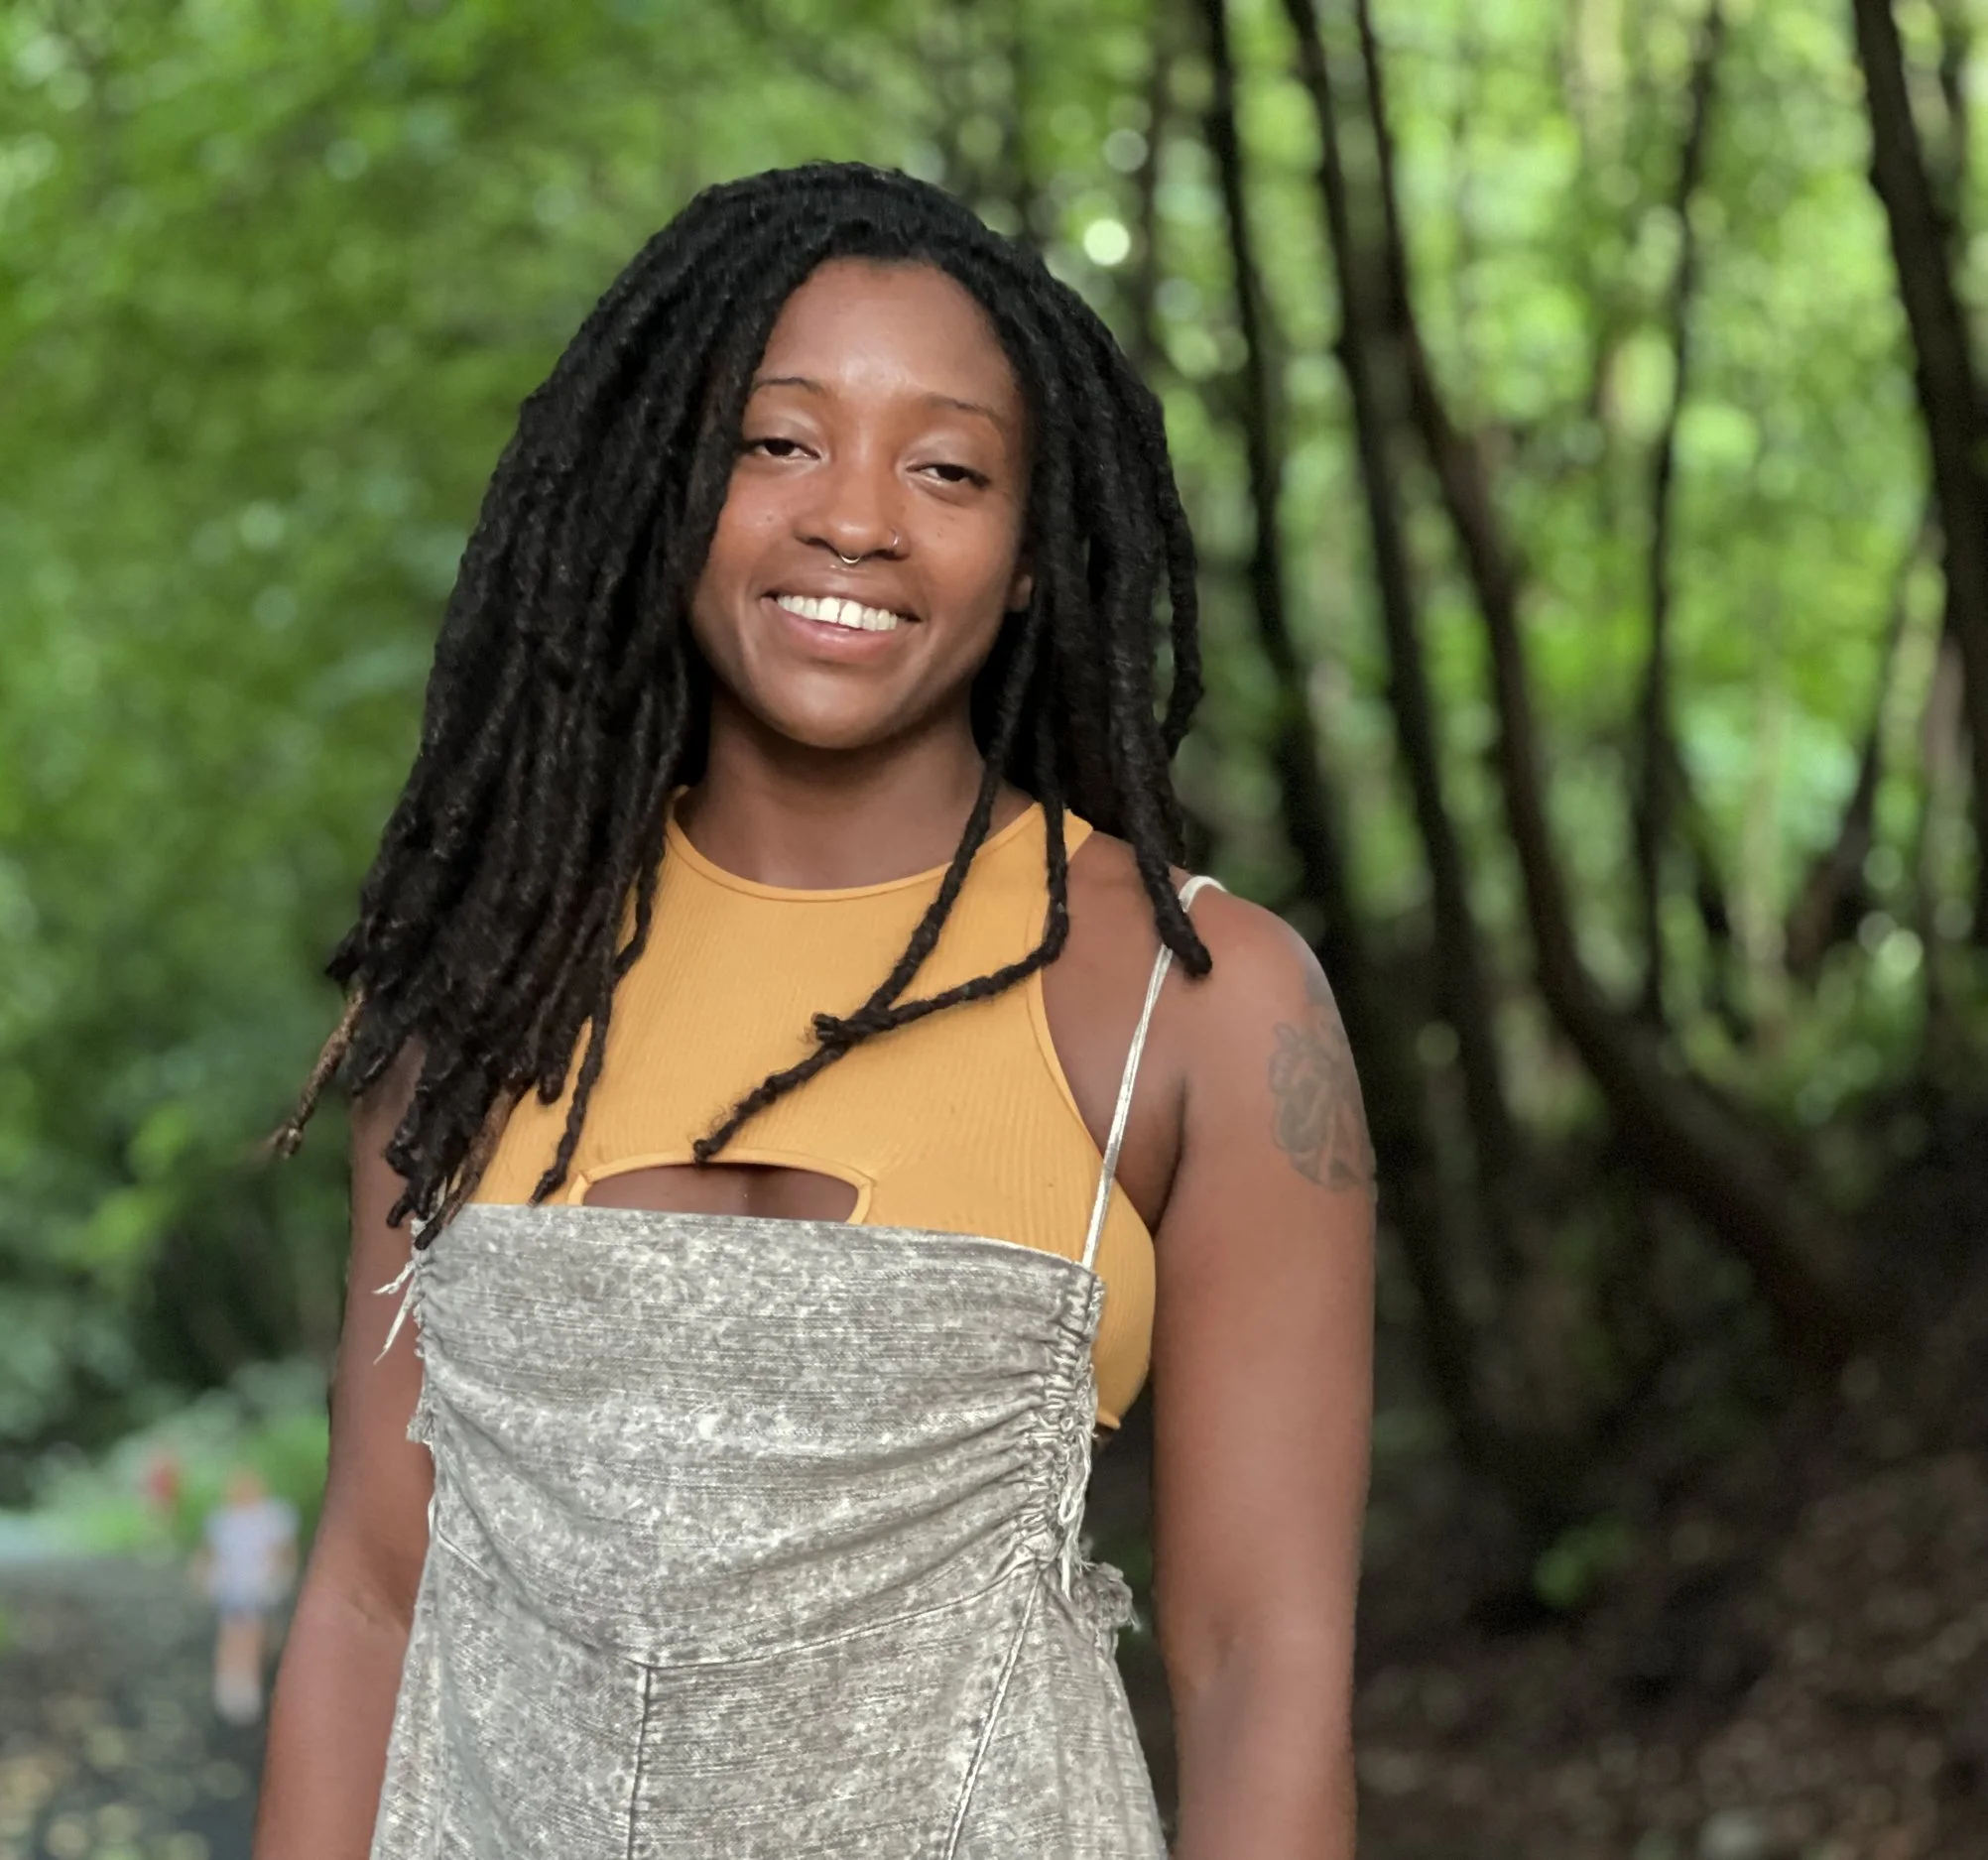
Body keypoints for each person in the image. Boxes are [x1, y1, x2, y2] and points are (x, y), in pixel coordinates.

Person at [256, 164, 1374, 1859]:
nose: (856, 515)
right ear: (666, 492)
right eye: (779, 441)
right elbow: (365, 1595)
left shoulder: (1198, 1006)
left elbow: (1259, 1663)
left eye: (947, 467)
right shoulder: (476, 993)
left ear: (1026, 564)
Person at [195, 1464, 299, 1725]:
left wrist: (281, 1575)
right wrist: (205, 1577)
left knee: (256, 1634)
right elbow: (210, 1552)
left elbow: (284, 1551)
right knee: (238, 1632)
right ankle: (235, 1687)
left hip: (260, 1585)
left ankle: (244, 1683)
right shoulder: (223, 1519)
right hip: (234, 1585)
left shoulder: (272, 1517)